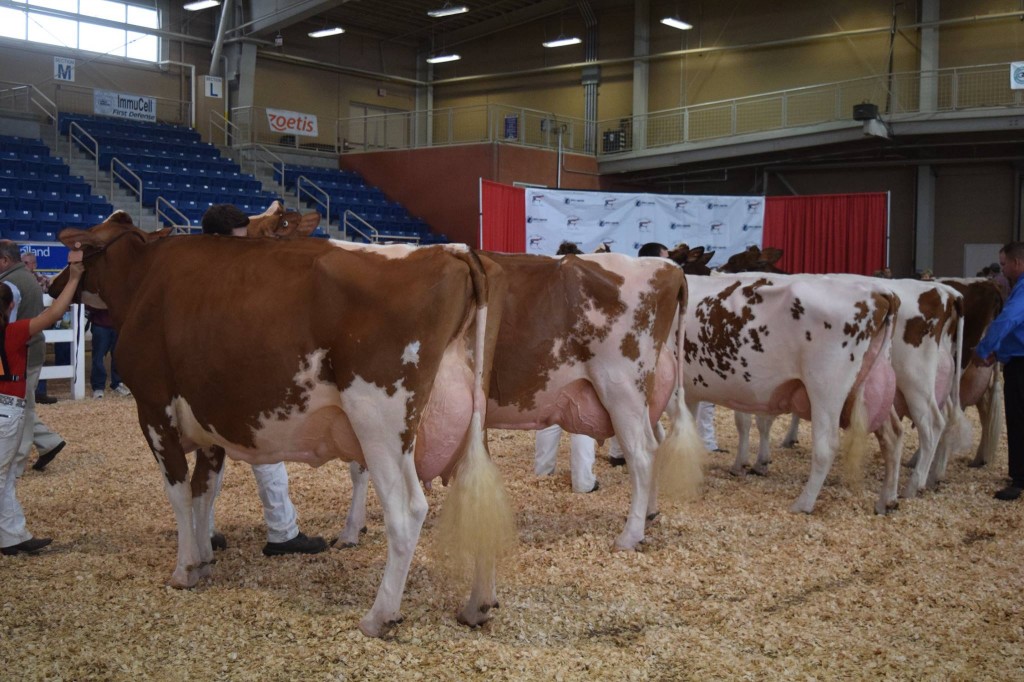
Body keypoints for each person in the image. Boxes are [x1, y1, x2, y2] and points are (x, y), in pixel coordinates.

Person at [200, 203, 327, 555]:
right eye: (238, 238)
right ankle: (282, 532)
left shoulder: (198, 271)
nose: (245, 244)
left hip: (208, 380)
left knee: (210, 455)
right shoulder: (235, 276)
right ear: (219, 240)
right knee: (265, 453)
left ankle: (202, 530)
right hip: (237, 376)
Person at [0, 249, 84, 555]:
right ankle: (12, 536)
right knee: (3, 475)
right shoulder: (13, 333)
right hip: (7, 409)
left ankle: (13, 536)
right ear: (11, 306)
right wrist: (73, 278)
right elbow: (53, 313)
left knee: (6, 475)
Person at [532, 240, 600, 493]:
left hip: (549, 360)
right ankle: (583, 481)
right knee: (582, 416)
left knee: (549, 414)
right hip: (581, 361)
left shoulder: (543, 290)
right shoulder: (588, 291)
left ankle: (543, 473)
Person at [0, 242, 66, 473]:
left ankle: (16, 462)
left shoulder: (11, 283)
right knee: (23, 404)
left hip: (20, 352)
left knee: (22, 408)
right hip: (29, 348)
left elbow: (8, 325)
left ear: (5, 260)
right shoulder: (25, 278)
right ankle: (49, 442)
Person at [972, 241, 1024, 501]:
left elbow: (1008, 320)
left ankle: (1019, 479)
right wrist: (999, 352)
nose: (1002, 270)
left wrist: (984, 348)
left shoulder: (1023, 289)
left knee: (1018, 419)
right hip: (1015, 358)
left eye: (1004, 265)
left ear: (1017, 262)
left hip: (1021, 366)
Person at [19, 253, 59, 405]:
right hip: (25, 323)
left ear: (34, 265)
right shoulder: (19, 280)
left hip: (37, 323)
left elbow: (51, 291)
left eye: (26, 263)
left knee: (39, 353)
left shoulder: (41, 280)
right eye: (23, 263)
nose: (24, 266)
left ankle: (40, 392)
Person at [85, 303, 131, 399]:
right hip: (100, 324)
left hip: (117, 324)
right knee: (98, 357)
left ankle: (117, 383)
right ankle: (98, 386)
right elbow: (90, 304)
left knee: (118, 356)